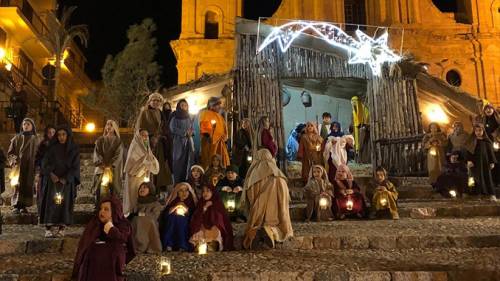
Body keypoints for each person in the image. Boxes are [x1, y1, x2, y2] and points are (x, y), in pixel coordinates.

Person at [72, 196, 135, 281]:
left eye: (106, 209)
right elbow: (85, 245)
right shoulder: (95, 223)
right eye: (101, 209)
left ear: (114, 211)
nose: (102, 212)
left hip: (113, 260)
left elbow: (123, 240)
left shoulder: (123, 224)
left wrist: (111, 229)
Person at [241, 149, 293, 249]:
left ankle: (255, 232)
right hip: (275, 216)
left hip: (258, 214)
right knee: (278, 227)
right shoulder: (279, 175)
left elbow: (250, 197)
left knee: (255, 225)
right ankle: (270, 231)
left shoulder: (253, 175)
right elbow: (285, 198)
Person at [39, 126, 80, 237]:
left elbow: (75, 167)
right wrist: (51, 174)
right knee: (50, 204)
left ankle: (62, 228)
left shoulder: (73, 150)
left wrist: (66, 178)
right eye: (59, 135)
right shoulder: (52, 149)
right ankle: (48, 227)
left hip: (66, 183)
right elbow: (44, 163)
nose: (61, 137)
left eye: (64, 134)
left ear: (68, 136)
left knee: (64, 204)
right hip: (52, 181)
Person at [123, 129, 159, 216]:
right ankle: (131, 214)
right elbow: (132, 167)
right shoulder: (134, 148)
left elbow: (154, 166)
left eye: (147, 136)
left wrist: (149, 162)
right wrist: (144, 163)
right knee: (133, 197)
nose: (145, 138)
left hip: (144, 179)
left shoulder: (147, 150)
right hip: (134, 180)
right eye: (143, 135)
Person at [7, 118, 39, 214]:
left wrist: (37, 167)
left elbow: (39, 153)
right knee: (17, 186)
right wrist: (14, 162)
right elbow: (10, 153)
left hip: (30, 167)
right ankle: (16, 205)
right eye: (24, 124)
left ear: (32, 126)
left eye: (28, 124)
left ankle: (23, 206)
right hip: (18, 167)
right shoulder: (17, 138)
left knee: (26, 186)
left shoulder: (36, 139)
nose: (26, 126)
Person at [190, 185, 234, 252]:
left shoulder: (217, 203)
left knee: (213, 233)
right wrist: (204, 209)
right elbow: (196, 217)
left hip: (214, 226)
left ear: (213, 192)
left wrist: (213, 207)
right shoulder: (201, 203)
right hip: (202, 226)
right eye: (203, 191)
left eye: (208, 191)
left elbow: (221, 219)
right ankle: (202, 245)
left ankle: (212, 245)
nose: (205, 193)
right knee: (199, 233)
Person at [92, 120, 124, 205]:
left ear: (115, 128)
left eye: (111, 125)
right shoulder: (100, 140)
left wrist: (110, 166)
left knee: (114, 191)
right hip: (101, 169)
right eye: (107, 124)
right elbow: (97, 153)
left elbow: (118, 155)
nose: (109, 126)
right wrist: (101, 164)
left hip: (113, 170)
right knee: (100, 190)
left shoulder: (118, 142)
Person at [160, 182, 198, 252]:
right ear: (177, 192)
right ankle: (169, 244)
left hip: (186, 222)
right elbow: (166, 214)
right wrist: (176, 206)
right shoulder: (173, 201)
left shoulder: (192, 202)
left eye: (186, 190)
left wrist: (185, 208)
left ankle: (182, 245)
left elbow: (194, 215)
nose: (184, 192)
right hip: (172, 222)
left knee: (181, 220)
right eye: (181, 190)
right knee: (172, 218)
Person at [465, 123, 497, 200]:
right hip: (474, 164)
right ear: (474, 131)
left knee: (487, 177)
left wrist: (492, 161)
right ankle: (475, 194)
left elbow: (490, 152)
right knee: (474, 178)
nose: (478, 132)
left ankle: (490, 194)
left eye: (480, 130)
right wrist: (469, 160)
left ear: (483, 131)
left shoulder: (487, 141)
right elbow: (468, 152)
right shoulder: (471, 141)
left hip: (485, 163)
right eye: (476, 131)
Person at [131, 182, 162, 254]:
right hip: (137, 222)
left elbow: (155, 215)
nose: (142, 189)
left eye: (145, 187)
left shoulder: (155, 203)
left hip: (150, 223)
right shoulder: (137, 202)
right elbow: (134, 213)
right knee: (136, 220)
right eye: (140, 188)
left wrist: (141, 214)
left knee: (141, 220)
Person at [199, 96, 230, 169]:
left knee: (221, 162)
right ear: (211, 105)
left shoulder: (220, 116)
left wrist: (225, 138)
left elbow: (224, 129)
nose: (219, 106)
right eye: (217, 105)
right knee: (210, 161)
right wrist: (209, 137)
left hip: (220, 143)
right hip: (210, 144)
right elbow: (205, 129)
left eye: (219, 104)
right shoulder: (206, 113)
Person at [170, 99, 194, 183]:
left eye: (185, 105)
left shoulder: (189, 116)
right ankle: (177, 182)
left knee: (188, 160)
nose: (184, 107)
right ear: (179, 106)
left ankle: (187, 181)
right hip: (178, 142)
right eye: (182, 105)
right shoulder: (175, 116)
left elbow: (192, 127)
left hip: (188, 142)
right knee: (178, 161)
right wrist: (184, 133)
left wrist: (191, 132)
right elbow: (172, 128)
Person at [35, 125, 56, 210]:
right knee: (42, 192)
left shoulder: (59, 144)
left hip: (55, 173)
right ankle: (42, 212)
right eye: (49, 133)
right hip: (44, 173)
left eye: (53, 132)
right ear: (46, 134)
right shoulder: (42, 145)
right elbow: (38, 158)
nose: (51, 134)